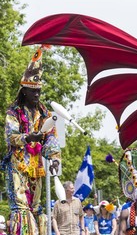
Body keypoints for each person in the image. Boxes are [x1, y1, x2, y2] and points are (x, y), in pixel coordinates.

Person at [1, 45, 61, 235]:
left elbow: (51, 137)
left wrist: (54, 157)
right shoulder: (14, 112)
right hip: (18, 166)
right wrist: (28, 138)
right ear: (24, 91)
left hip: (37, 166)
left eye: (39, 92)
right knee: (21, 210)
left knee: (35, 209)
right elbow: (10, 137)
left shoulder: (45, 114)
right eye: (33, 91)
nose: (37, 95)